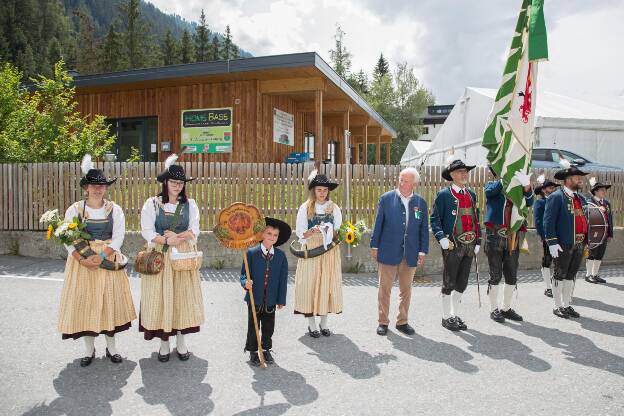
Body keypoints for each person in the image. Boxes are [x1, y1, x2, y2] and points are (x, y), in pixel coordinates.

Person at [58, 155, 136, 367]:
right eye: (94, 185)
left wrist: (100, 256)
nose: (98, 189)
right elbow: (67, 238)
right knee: (87, 305)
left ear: (105, 188)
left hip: (107, 259)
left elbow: (119, 236)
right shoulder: (75, 210)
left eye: (101, 185)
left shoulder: (114, 209)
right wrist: (80, 259)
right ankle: (89, 349)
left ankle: (112, 348)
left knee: (108, 304)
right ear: (86, 187)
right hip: (82, 263)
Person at [139, 154, 204, 361]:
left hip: (182, 257)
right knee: (161, 299)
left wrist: (177, 237)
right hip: (160, 256)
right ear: (165, 182)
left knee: (182, 298)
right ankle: (164, 343)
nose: (177, 186)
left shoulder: (190, 204)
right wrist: (167, 241)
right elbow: (147, 232)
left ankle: (182, 342)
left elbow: (195, 230)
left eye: (181, 183)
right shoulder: (152, 204)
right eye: (174, 182)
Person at [370, 167, 429, 336]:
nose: (402, 183)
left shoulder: (420, 203)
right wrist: (374, 246)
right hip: (388, 250)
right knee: (384, 289)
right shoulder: (387, 199)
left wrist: (422, 251)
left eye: (406, 181)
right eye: (401, 179)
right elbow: (378, 224)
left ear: (414, 184)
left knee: (406, 289)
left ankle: (402, 321)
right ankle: (383, 322)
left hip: (410, 252)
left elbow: (423, 229)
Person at [430, 156, 482, 331]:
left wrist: (478, 241)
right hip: (452, 245)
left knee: (462, 282)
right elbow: (435, 219)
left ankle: (455, 314)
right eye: (460, 171)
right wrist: (441, 238)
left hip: (469, 245)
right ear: (451, 175)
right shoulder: (444, 195)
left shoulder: (472, 195)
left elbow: (477, 220)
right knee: (449, 281)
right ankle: (446, 317)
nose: (464, 173)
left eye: (465, 171)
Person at [293, 170, 343, 337]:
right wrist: (311, 231)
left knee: (326, 284)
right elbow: (301, 233)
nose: (322, 193)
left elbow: (338, 231)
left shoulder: (334, 208)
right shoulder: (305, 208)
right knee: (310, 285)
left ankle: (324, 322)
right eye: (319, 190)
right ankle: (311, 324)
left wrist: (330, 231)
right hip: (311, 249)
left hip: (329, 251)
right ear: (313, 190)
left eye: (325, 190)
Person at [483, 166, 534, 323]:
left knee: (512, 274)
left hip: (514, 236)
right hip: (496, 236)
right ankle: (494, 309)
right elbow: (489, 192)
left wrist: (526, 186)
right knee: (496, 275)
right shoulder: (492, 185)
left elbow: (530, 201)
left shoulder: (518, 189)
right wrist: (505, 179)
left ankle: (506, 307)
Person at [240, 218, 291, 366]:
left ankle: (266, 349)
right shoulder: (251, 253)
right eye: (269, 233)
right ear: (261, 234)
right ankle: (253, 351)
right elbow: (244, 274)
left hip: (271, 299)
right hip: (254, 298)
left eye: (275, 235)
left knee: (269, 326)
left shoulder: (281, 257)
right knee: (253, 326)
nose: (272, 237)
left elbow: (283, 279)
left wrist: (281, 299)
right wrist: (245, 283)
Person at [544, 160, 588, 319]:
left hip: (579, 243)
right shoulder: (556, 197)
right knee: (559, 274)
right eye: (577, 177)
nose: (580, 180)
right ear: (568, 179)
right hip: (563, 243)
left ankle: (567, 304)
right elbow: (548, 221)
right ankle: (557, 306)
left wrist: (586, 240)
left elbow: (584, 219)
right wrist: (552, 242)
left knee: (571, 275)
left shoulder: (581, 198)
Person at [533, 174, 560, 297]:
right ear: (544, 190)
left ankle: (557, 285)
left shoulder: (558, 201)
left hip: (560, 236)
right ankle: (548, 287)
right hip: (548, 237)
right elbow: (538, 222)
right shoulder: (540, 202)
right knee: (547, 260)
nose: (553, 189)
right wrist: (544, 237)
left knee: (559, 262)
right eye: (550, 187)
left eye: (554, 187)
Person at [585, 177, 613, 284]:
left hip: (605, 233)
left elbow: (610, 219)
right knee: (592, 253)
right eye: (602, 190)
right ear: (595, 192)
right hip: (593, 233)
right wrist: (597, 208)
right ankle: (588, 275)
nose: (604, 192)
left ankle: (595, 274)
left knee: (600, 254)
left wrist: (610, 234)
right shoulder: (589, 202)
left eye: (605, 190)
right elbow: (586, 212)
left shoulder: (607, 203)